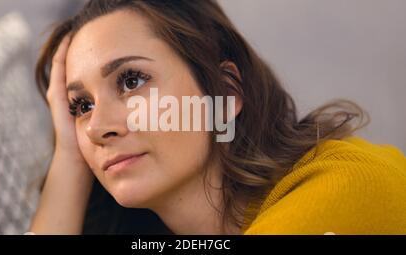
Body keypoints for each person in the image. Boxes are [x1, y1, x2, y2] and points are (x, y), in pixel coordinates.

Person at [30, 0, 406, 234]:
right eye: (80, 106)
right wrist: (69, 159)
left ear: (226, 91)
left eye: (131, 81)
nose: (96, 128)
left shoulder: (349, 186)